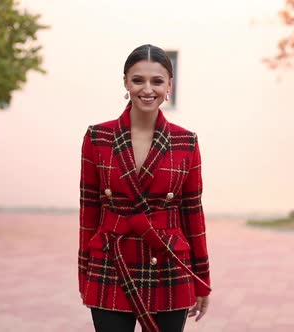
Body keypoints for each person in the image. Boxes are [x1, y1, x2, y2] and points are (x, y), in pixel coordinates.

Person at [78, 44, 212, 332]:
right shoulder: (97, 137)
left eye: (157, 81)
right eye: (138, 80)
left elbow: (193, 215)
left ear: (169, 87)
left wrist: (202, 279)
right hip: (110, 261)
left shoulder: (186, 142)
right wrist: (84, 273)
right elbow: (89, 211)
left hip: (168, 261)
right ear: (125, 82)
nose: (147, 89)